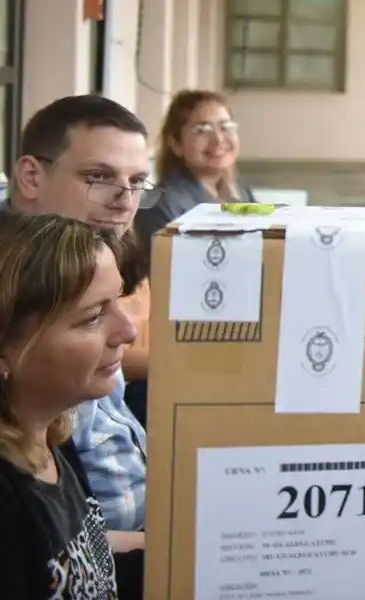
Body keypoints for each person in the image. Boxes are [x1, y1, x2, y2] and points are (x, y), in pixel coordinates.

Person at [4, 96, 151, 569]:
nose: (124, 200)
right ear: (30, 177)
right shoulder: (18, 284)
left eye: (137, 183)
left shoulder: (97, 261)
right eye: (98, 177)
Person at [0, 213, 141, 599]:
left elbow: (95, 576)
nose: (129, 331)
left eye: (118, 301)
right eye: (93, 317)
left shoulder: (53, 432)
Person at [131, 89, 258, 426]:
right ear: (175, 143)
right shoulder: (162, 204)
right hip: (184, 346)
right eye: (201, 129)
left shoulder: (239, 191)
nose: (218, 138)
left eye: (226, 125)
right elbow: (168, 289)